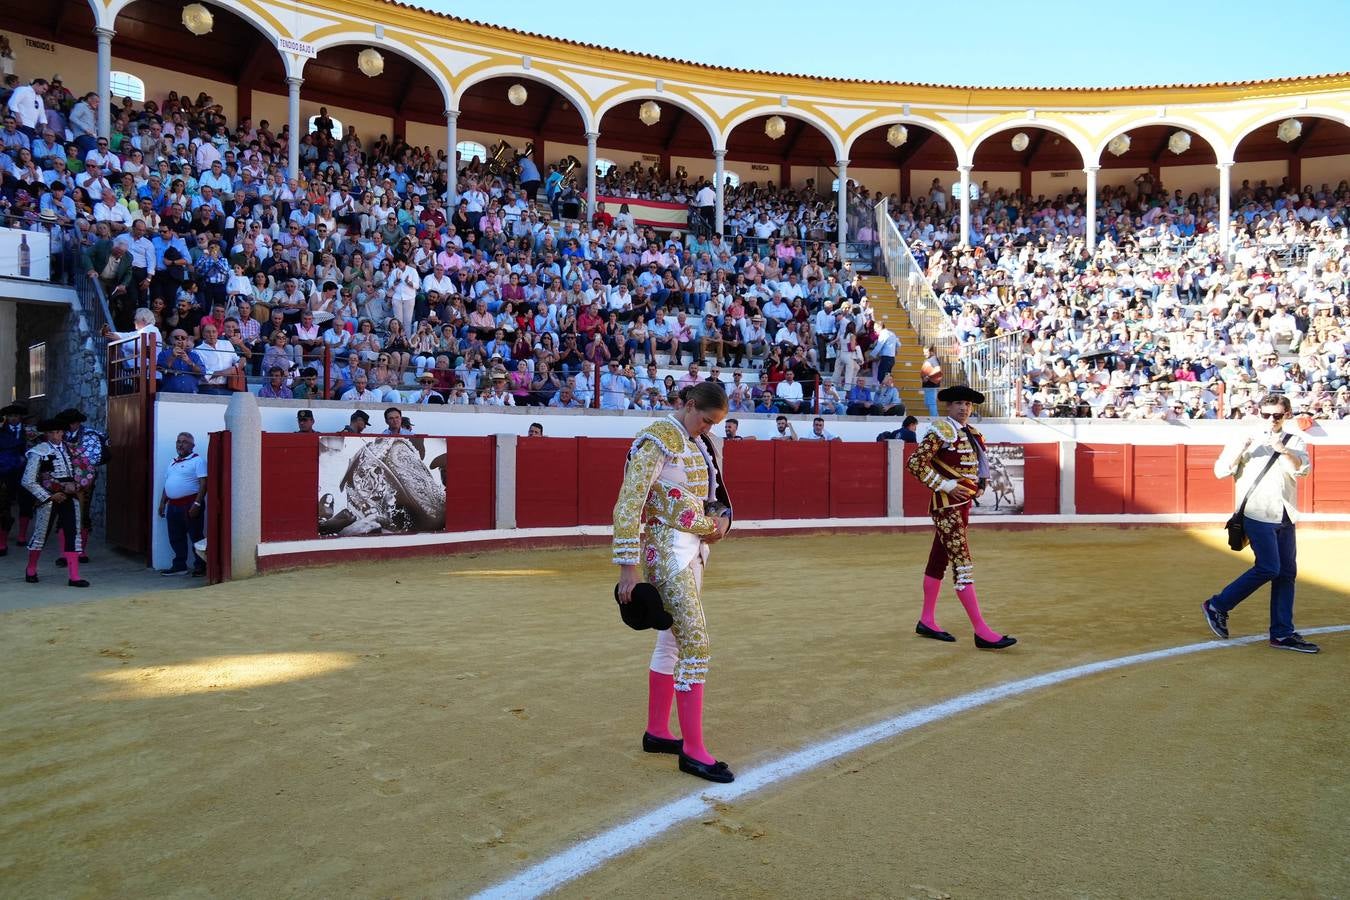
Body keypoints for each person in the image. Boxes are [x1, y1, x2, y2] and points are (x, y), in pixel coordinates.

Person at [613, 381, 735, 784]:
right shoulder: (659, 439)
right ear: (688, 405)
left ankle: (658, 731)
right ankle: (694, 751)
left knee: (671, 640)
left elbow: (715, 499)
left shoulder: (702, 443)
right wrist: (627, 568)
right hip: (665, 552)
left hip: (694, 549)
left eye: (713, 423)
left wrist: (719, 524)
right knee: (695, 645)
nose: (707, 428)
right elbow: (629, 503)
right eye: (704, 420)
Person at [1202, 395, 1318, 653]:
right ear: (1259, 413)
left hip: (1285, 514)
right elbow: (1221, 471)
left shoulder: (1294, 440)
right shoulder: (1243, 438)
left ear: (1287, 414)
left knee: (1287, 573)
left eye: (1277, 415)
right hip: (1255, 513)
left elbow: (1301, 471)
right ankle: (1218, 605)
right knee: (1268, 567)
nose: (1271, 420)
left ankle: (1282, 633)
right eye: (1266, 414)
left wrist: (1284, 450)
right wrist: (1239, 449)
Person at [905, 385, 1015, 649]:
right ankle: (981, 631)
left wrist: (980, 483)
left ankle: (927, 620)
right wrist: (946, 486)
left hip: (962, 504)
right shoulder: (941, 430)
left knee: (938, 560)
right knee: (963, 565)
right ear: (948, 406)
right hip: (947, 506)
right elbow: (915, 463)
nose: (964, 408)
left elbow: (978, 464)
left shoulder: (973, 433)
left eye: (967, 404)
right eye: (958, 403)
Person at [20, 419, 88, 587]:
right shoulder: (38, 452)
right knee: (41, 534)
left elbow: (84, 469)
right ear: (46, 434)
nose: (56, 435)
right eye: (52, 432)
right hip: (49, 498)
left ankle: (74, 576)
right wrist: (49, 496)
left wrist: (78, 485)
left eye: (58, 432)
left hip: (69, 496)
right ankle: (31, 568)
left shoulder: (71, 449)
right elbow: (28, 480)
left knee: (73, 532)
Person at [56, 408, 105, 564]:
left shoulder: (90, 435)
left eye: (71, 422)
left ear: (78, 422)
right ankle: (65, 553)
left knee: (82, 515)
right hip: (63, 481)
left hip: (84, 482)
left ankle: (80, 551)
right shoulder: (59, 435)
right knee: (63, 516)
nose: (69, 426)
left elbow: (93, 459)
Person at [158, 432, 207, 576]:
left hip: (190, 504)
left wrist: (197, 504)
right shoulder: (172, 462)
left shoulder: (198, 461)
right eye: (178, 441)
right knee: (175, 536)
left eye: (184, 442)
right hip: (173, 506)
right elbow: (168, 484)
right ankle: (180, 566)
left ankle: (200, 566)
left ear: (192, 446)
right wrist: (162, 503)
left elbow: (204, 483)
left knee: (195, 536)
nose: (180, 444)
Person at [0, 403, 34, 553]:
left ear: (20, 417)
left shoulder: (31, 432)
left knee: (26, 502)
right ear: (6, 417)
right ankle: (2, 541)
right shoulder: (1, 432)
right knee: (3, 504)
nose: (13, 418)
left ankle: (21, 536)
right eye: (10, 416)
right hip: (5, 474)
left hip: (26, 473)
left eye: (15, 416)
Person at [920, 346, 942, 418]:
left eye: (926, 352)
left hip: (931, 386)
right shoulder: (929, 359)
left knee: (931, 403)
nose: (924, 354)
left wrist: (928, 376)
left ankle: (935, 418)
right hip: (928, 386)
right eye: (924, 352)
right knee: (928, 403)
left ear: (931, 352)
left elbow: (938, 369)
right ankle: (934, 417)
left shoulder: (933, 359)